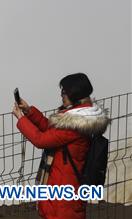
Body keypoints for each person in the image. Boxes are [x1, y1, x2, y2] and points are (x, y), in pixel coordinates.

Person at [13, 73, 110, 219]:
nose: (61, 95)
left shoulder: (76, 124)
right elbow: (52, 130)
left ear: (75, 94)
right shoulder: (79, 117)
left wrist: (21, 119)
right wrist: (29, 112)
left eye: (64, 92)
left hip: (63, 200)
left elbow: (41, 140)